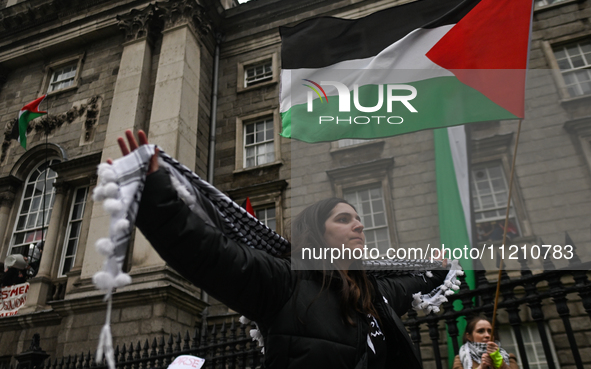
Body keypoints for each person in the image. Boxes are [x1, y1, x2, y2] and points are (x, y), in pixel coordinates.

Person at [114, 130, 449, 369]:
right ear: (318, 234)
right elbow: (210, 254)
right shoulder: (287, 283)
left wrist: (437, 268)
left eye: (359, 219)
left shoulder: (376, 291)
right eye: (345, 219)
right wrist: (156, 196)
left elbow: (417, 283)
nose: (359, 225)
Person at [453, 316, 519, 369]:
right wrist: (481, 367)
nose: (487, 335)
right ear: (469, 336)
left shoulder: (509, 357)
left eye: (490, 331)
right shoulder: (460, 359)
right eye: (481, 331)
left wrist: (499, 361)